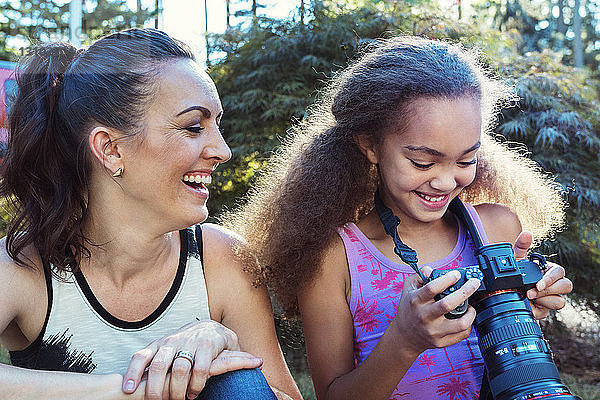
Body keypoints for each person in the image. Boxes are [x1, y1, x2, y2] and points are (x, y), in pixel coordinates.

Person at [226, 36, 574, 399]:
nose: (444, 181)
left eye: (466, 160)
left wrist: (528, 303)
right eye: (422, 162)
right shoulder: (334, 258)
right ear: (370, 146)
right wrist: (405, 341)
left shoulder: (497, 229)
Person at [0, 28, 302, 400]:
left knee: (238, 382)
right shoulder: (23, 265)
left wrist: (221, 342)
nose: (223, 151)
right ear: (110, 149)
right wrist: (128, 390)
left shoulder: (222, 258)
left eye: (217, 125)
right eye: (193, 126)